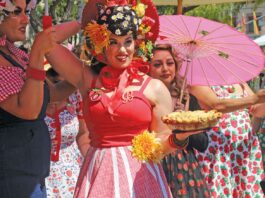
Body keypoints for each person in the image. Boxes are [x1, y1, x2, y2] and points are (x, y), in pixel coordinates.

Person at [43, 0, 209, 197]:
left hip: (140, 177)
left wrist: (179, 139)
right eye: (113, 42)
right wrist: (85, 22)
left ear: (136, 43)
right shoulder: (87, 78)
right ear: (102, 43)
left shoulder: (154, 88)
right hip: (98, 174)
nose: (122, 50)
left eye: (127, 41)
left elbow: (160, 147)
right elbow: (46, 42)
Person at [0, 0, 79, 197]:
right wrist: (37, 52)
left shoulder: (14, 53)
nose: (26, 19)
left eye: (26, 11)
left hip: (32, 175)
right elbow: (28, 110)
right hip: (10, 179)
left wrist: (84, 75)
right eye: (16, 12)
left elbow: (49, 94)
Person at [149, 43, 210, 197]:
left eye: (170, 63)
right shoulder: (143, 98)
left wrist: (183, 127)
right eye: (157, 64)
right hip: (152, 164)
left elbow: (203, 143)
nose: (165, 68)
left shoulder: (187, 97)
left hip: (183, 170)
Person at [190, 82, 265, 196]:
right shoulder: (199, 79)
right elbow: (217, 105)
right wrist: (255, 98)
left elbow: (256, 110)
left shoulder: (238, 80)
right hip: (217, 151)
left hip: (243, 150)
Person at [45, 68, 90, 197]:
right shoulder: (31, 100)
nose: (59, 91)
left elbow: (83, 135)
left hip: (74, 173)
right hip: (41, 174)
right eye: (55, 83)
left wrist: (91, 164)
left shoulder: (74, 96)